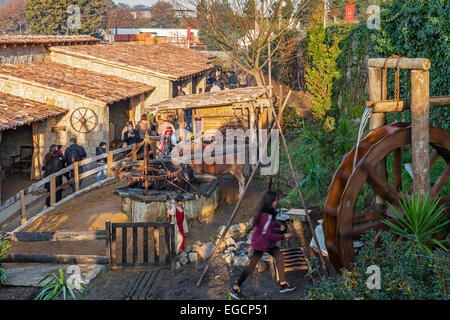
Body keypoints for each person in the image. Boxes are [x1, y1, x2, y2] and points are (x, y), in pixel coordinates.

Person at [228, 190, 296, 300]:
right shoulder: (266, 215)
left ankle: (283, 284)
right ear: (271, 201)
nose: (277, 201)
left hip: (265, 242)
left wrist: (279, 225)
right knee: (251, 268)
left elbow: (270, 224)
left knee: (280, 257)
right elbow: (267, 234)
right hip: (261, 243)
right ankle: (235, 288)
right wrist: (283, 236)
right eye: (275, 200)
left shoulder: (266, 211)